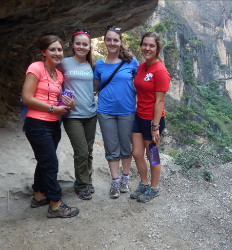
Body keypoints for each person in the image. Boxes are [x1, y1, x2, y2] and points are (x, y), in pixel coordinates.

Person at [22, 35, 79, 218]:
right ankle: (55, 204)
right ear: (43, 52)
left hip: (53, 125)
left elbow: (63, 101)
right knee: (51, 163)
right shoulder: (36, 68)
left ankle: (39, 196)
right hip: (36, 124)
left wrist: (69, 104)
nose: (57, 53)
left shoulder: (59, 75)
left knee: (44, 161)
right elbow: (27, 98)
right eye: (52, 49)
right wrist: (54, 108)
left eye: (59, 49)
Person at [94, 26, 139, 199]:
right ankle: (115, 180)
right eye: (109, 40)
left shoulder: (131, 62)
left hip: (127, 110)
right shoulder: (99, 64)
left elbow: (140, 83)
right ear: (105, 41)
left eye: (115, 40)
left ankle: (125, 179)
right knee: (111, 147)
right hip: (106, 111)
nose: (112, 43)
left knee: (126, 146)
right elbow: (96, 87)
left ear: (120, 42)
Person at [57, 29, 97, 200]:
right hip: (72, 115)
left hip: (90, 113)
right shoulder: (64, 63)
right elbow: (52, 80)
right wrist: (60, 99)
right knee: (81, 151)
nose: (81, 47)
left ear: (89, 47)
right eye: (78, 43)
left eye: (85, 44)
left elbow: (96, 86)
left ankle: (87, 179)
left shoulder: (92, 65)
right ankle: (81, 185)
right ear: (72, 45)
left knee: (88, 150)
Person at [130, 32, 170, 203]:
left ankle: (154, 188)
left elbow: (160, 101)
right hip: (139, 116)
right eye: (145, 44)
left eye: (151, 45)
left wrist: (155, 127)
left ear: (157, 48)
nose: (147, 48)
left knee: (152, 155)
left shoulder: (160, 70)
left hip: (153, 120)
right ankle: (144, 184)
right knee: (137, 153)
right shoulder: (141, 67)